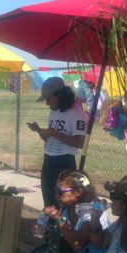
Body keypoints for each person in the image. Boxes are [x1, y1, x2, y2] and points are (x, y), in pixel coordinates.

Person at [28, 77, 88, 207]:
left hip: (64, 162)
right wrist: (39, 130)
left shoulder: (76, 112)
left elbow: (79, 143)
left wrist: (54, 133)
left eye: (49, 98)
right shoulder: (54, 112)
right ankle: (50, 226)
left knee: (63, 204)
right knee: (49, 203)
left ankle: (61, 227)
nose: (47, 103)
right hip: (48, 161)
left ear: (60, 94)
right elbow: (49, 140)